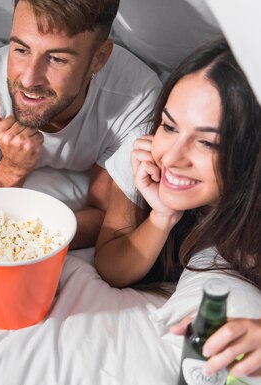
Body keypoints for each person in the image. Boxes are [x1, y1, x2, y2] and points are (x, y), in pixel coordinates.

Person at [0, 0, 162, 250]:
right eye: (20, 49)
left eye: (57, 59)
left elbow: (103, 215)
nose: (28, 79)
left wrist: (29, 242)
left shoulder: (137, 96)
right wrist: (11, 168)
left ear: (99, 59)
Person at [94, 38, 261, 377]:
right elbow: (111, 268)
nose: (171, 157)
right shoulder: (146, 153)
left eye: (207, 142)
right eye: (169, 126)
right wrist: (162, 216)